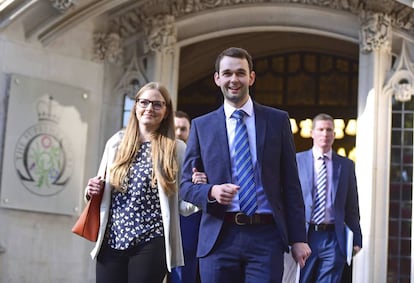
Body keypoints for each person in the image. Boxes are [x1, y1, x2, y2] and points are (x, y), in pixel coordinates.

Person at [180, 47, 311, 283]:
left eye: (240, 73)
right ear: (217, 78)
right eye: (227, 73)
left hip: (266, 237)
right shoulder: (201, 126)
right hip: (219, 236)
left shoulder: (277, 120)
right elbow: (185, 186)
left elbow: (291, 184)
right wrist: (211, 191)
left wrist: (298, 238)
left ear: (251, 77)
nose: (234, 79)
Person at [85, 82, 198, 283]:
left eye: (157, 104)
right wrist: (91, 189)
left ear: (165, 111)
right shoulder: (116, 143)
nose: (149, 108)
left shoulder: (176, 149)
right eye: (144, 102)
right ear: (135, 106)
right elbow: (100, 187)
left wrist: (198, 192)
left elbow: (184, 205)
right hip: (112, 239)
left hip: (152, 240)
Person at [296, 113, 362, 283]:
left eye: (329, 130)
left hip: (334, 237)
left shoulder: (346, 165)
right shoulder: (297, 161)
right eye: (321, 129)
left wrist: (356, 238)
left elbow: (351, 206)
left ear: (334, 134)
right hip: (305, 235)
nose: (325, 134)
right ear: (312, 133)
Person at [170, 110, 202, 283]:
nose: (178, 133)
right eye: (175, 128)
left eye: (183, 129)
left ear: (189, 132)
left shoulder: (199, 157)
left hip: (188, 223)